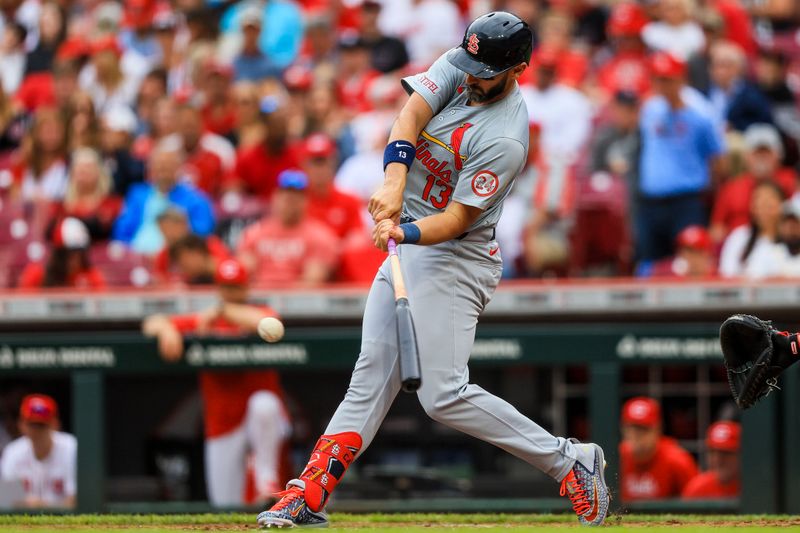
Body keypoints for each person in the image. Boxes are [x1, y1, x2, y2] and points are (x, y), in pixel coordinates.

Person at [256, 12, 609, 529]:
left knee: (442, 395)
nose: (470, 74)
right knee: (369, 377)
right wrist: (394, 183)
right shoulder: (460, 62)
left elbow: (459, 219)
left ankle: (570, 461)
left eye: (484, 69)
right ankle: (308, 493)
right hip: (412, 238)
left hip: (457, 255)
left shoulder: (506, 136)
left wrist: (404, 231)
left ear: (518, 68)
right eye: (469, 61)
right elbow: (408, 119)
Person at [142, 258, 290, 505]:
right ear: (218, 288)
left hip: (261, 420)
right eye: (226, 287)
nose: (231, 293)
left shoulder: (261, 313)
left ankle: (267, 479)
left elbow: (267, 323)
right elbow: (151, 323)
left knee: (264, 404)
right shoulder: (207, 319)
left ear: (246, 288)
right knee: (224, 505)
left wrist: (223, 310)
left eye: (236, 287)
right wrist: (167, 330)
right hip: (221, 422)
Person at [635, 52, 723, 264]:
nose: (661, 85)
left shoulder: (700, 115)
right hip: (651, 201)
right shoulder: (650, 109)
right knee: (649, 264)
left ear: (681, 79)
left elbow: (717, 161)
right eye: (657, 79)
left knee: (686, 263)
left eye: (667, 79)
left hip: (686, 200)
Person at [112, 136, 215, 255]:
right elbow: (121, 230)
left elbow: (201, 234)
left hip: (175, 256)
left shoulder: (197, 200)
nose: (163, 171)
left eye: (168, 166)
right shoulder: (137, 194)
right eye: (159, 166)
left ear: (179, 168)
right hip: (135, 254)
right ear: (151, 169)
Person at [236, 169, 339, 287]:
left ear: (305, 200)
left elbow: (312, 282)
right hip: (259, 300)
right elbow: (243, 274)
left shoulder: (320, 236)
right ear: (275, 197)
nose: (290, 201)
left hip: (300, 303)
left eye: (295, 197)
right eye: (286, 196)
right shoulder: (255, 233)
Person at [710, 123, 796, 242]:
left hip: (784, 247)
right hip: (740, 250)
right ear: (746, 156)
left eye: (766, 152)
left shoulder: (791, 180)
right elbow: (717, 228)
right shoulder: (732, 187)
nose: (761, 158)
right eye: (756, 153)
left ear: (778, 155)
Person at [0, 394, 76, 509]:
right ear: (21, 425)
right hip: (24, 523)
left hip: (64, 524)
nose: (36, 430)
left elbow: (76, 501)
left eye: (41, 425)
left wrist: (41, 506)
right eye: (31, 424)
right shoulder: (13, 452)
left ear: (55, 424)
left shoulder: (71, 448)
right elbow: (6, 500)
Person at [619, 397, 698, 502]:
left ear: (658, 429)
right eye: (631, 428)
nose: (636, 435)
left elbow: (696, 499)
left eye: (643, 429)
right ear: (623, 429)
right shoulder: (616, 458)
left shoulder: (677, 460)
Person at [301, 133, 366, 241]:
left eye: (323, 162)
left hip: (340, 255)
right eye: (314, 163)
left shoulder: (349, 200)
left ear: (332, 163)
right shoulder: (298, 200)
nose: (319, 169)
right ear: (304, 166)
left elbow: (358, 237)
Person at [719, 180, 787, 278]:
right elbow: (727, 273)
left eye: (769, 199)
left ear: (782, 205)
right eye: (759, 199)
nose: (763, 205)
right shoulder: (739, 237)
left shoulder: (792, 240)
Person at [18, 217, 106, 289]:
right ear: (58, 255)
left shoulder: (92, 278)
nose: (75, 260)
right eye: (69, 254)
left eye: (79, 254)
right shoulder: (37, 275)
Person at [683, 421, 741, 499]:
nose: (718, 460)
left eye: (726, 453)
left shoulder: (754, 487)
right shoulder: (697, 489)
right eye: (712, 452)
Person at [644, 225, 716, 278]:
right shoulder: (666, 272)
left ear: (707, 253)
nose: (689, 257)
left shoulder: (717, 275)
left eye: (696, 252)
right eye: (686, 251)